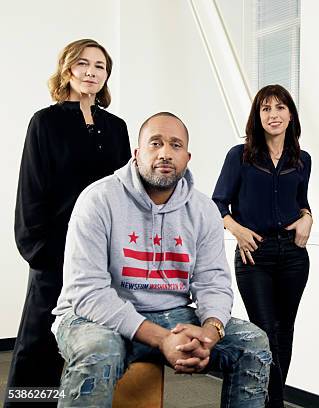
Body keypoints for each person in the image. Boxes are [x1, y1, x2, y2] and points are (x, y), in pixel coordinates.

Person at [50, 112, 271, 407]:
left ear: (187, 157)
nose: (165, 153)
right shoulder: (99, 199)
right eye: (155, 144)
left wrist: (209, 332)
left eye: (175, 145)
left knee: (253, 345)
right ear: (137, 153)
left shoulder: (203, 209)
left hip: (171, 315)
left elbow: (213, 283)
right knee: (98, 351)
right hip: (94, 316)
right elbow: (87, 293)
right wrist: (161, 339)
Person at [7, 39, 131, 406]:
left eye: (100, 66)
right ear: (67, 69)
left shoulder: (117, 127)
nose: (92, 72)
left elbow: (123, 192)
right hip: (55, 255)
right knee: (37, 350)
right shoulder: (45, 122)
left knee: (99, 344)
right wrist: (40, 252)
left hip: (103, 255)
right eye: (83, 64)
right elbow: (31, 189)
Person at [213, 84, 311, 408]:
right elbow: (219, 204)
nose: (274, 115)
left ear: (291, 114)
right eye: (266, 108)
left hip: (294, 256)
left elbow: (301, 202)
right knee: (265, 332)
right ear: (257, 115)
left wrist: (308, 217)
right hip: (254, 254)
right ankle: (276, 404)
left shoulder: (302, 159)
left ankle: (270, 402)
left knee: (285, 333)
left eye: (280, 108)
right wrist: (238, 230)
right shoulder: (239, 156)